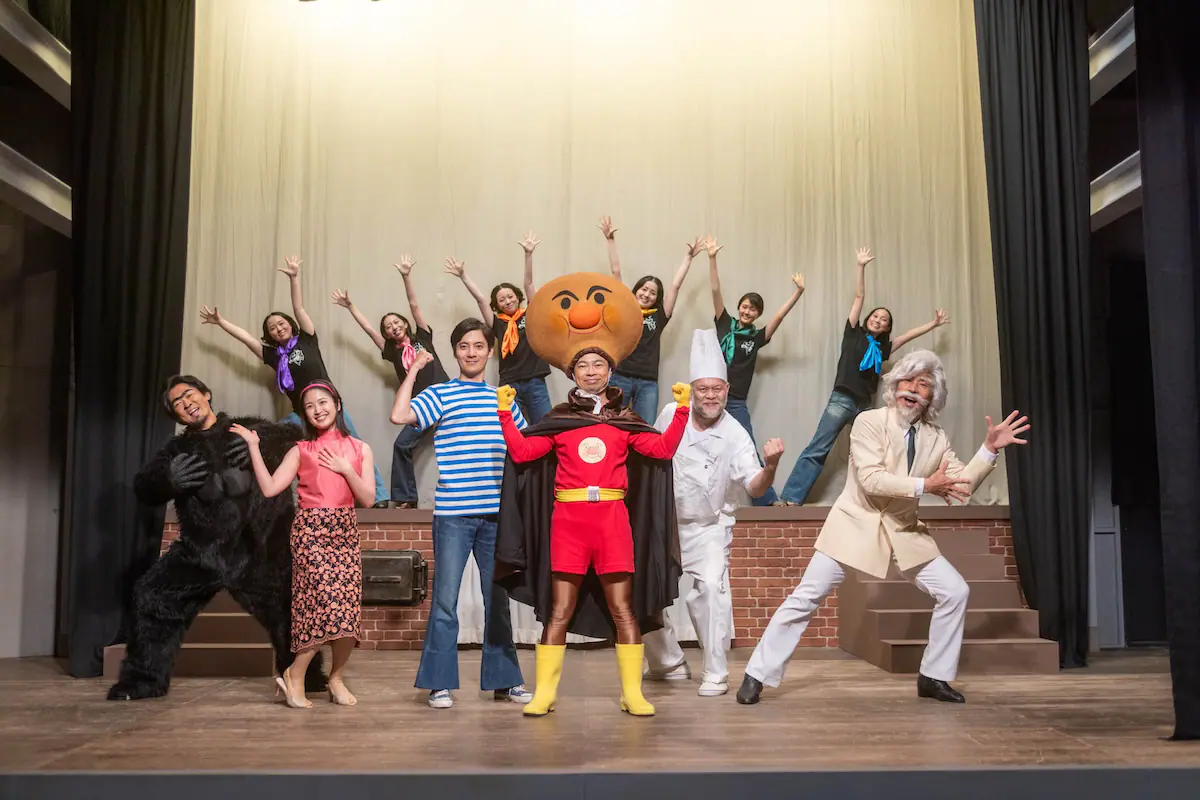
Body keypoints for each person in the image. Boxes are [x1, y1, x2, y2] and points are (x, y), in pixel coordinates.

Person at [736, 350, 1030, 706]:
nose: (913, 388)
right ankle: (757, 674)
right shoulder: (869, 421)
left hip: (903, 531)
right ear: (895, 385)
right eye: (908, 380)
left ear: (933, 397)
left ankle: (933, 676)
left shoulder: (936, 438)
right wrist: (926, 486)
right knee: (805, 598)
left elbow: (961, 487)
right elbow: (872, 480)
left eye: (924, 384)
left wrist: (988, 450)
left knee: (955, 591)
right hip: (854, 525)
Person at [493, 271, 688, 717]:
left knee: (624, 610)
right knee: (558, 610)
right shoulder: (560, 419)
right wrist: (506, 414)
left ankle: (632, 693)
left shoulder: (626, 420)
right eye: (584, 366)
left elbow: (660, 450)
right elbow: (522, 454)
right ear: (572, 373)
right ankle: (545, 693)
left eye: (599, 365)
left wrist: (681, 412)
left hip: (612, 521)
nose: (592, 371)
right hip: (569, 522)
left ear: (610, 370)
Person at [108, 375, 325, 701]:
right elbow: (143, 486)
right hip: (203, 554)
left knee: (289, 607)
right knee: (152, 595)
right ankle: (144, 681)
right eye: (177, 403)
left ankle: (307, 677)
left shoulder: (248, 429)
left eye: (189, 394)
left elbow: (296, 436)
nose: (185, 403)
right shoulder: (176, 452)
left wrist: (260, 443)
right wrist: (167, 479)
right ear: (176, 415)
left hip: (260, 551)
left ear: (206, 394)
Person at [389, 318, 531, 710]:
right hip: (453, 514)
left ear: (490, 352)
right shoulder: (441, 394)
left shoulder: (502, 398)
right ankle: (438, 684)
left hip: (496, 517)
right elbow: (399, 416)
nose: (471, 352)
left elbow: (523, 447)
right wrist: (415, 369)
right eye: (464, 346)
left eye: (478, 346)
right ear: (455, 352)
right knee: (445, 602)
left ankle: (505, 682)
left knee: (497, 600)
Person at [642, 329, 785, 697]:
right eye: (703, 388)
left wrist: (771, 465)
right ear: (692, 390)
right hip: (665, 523)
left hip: (709, 526)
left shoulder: (735, 433)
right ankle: (667, 663)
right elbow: (652, 457)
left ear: (726, 390)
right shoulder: (671, 413)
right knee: (642, 591)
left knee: (710, 591)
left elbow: (755, 486)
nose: (710, 395)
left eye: (716, 389)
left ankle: (716, 673)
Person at [200, 255, 388, 505]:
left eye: (281, 323)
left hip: (326, 406)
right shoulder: (274, 356)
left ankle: (380, 496)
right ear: (269, 335)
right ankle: (269, 499)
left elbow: (299, 309)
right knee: (270, 439)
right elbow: (246, 339)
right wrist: (221, 322)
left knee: (354, 444)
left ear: (290, 324)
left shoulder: (307, 340)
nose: (278, 328)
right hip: (300, 414)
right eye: (272, 328)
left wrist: (294, 279)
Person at [232, 380, 374, 710]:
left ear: (337, 405)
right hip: (311, 531)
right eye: (309, 406)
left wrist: (345, 470)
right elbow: (270, 488)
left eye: (323, 402)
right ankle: (295, 674)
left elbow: (367, 498)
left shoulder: (360, 449)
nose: (317, 410)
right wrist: (254, 447)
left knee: (348, 613)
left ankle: (335, 678)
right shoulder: (301, 450)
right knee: (326, 606)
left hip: (345, 531)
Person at [778, 247, 950, 506]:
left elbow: (908, 335)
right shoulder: (853, 333)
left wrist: (933, 324)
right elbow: (859, 296)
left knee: (873, 454)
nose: (878, 320)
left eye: (884, 320)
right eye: (876, 316)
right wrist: (861, 266)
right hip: (842, 399)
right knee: (818, 448)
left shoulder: (883, 348)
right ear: (868, 318)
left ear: (887, 327)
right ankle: (791, 498)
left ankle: (874, 500)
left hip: (865, 406)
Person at [332, 253, 449, 508]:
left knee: (457, 442)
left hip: (443, 396)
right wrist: (351, 307)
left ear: (405, 323)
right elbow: (368, 330)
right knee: (402, 445)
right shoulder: (392, 351)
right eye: (388, 326)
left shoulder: (422, 337)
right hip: (422, 405)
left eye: (396, 322)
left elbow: (414, 305)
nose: (393, 327)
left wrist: (406, 276)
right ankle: (407, 498)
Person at [705, 236, 805, 506]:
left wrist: (797, 293)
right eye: (745, 306)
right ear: (739, 307)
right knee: (703, 444)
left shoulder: (757, 337)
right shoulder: (724, 324)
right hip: (710, 395)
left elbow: (779, 317)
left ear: (758, 314)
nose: (748, 311)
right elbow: (715, 291)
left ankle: (767, 500)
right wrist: (712, 258)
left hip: (735, 399)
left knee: (747, 445)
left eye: (753, 309)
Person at [597, 214, 703, 422]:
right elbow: (616, 272)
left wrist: (689, 257)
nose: (646, 294)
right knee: (611, 424)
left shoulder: (659, 315)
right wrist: (610, 240)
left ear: (657, 298)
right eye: (644, 289)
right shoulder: (626, 308)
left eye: (652, 293)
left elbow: (675, 286)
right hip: (621, 376)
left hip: (647, 382)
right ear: (636, 290)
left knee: (645, 427)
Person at [445, 233, 552, 423]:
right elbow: (480, 300)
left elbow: (528, 284)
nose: (507, 301)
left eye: (510, 296)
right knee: (510, 428)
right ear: (497, 305)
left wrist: (528, 254)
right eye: (501, 300)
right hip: (509, 383)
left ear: (517, 297)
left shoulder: (531, 314)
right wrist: (463, 276)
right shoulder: (498, 324)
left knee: (545, 426)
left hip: (535, 380)